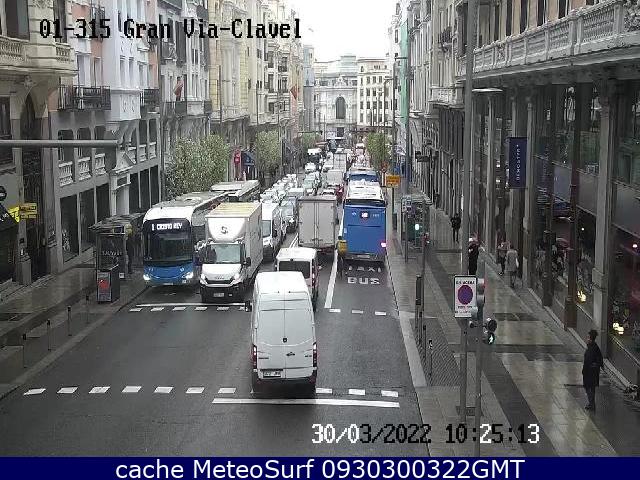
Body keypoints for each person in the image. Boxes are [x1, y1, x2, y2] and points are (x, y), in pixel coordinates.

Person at [582, 329, 604, 411]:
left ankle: (591, 404)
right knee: (591, 388)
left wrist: (588, 369)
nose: (587, 339)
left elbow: (590, 360)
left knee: (589, 388)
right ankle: (591, 403)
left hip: (590, 372)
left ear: (591, 339)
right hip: (591, 372)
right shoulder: (593, 347)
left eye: (588, 337)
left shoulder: (592, 348)